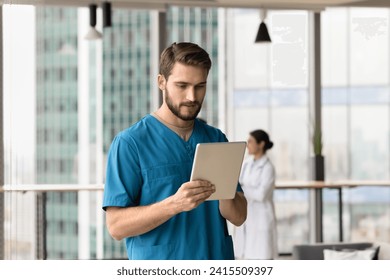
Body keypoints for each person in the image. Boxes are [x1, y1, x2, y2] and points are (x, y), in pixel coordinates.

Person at [102, 42, 247, 260]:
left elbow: (239, 216)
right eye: (182, 86)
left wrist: (224, 193)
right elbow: (116, 227)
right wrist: (174, 205)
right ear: (161, 82)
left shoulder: (216, 139)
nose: (192, 96)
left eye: (200, 86)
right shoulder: (130, 143)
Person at [233, 129, 277, 260]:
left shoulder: (268, 167)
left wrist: (242, 189)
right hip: (248, 214)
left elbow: (261, 194)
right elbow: (237, 183)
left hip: (261, 216)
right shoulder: (247, 163)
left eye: (251, 141)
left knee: (262, 256)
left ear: (261, 144)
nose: (248, 145)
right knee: (246, 256)